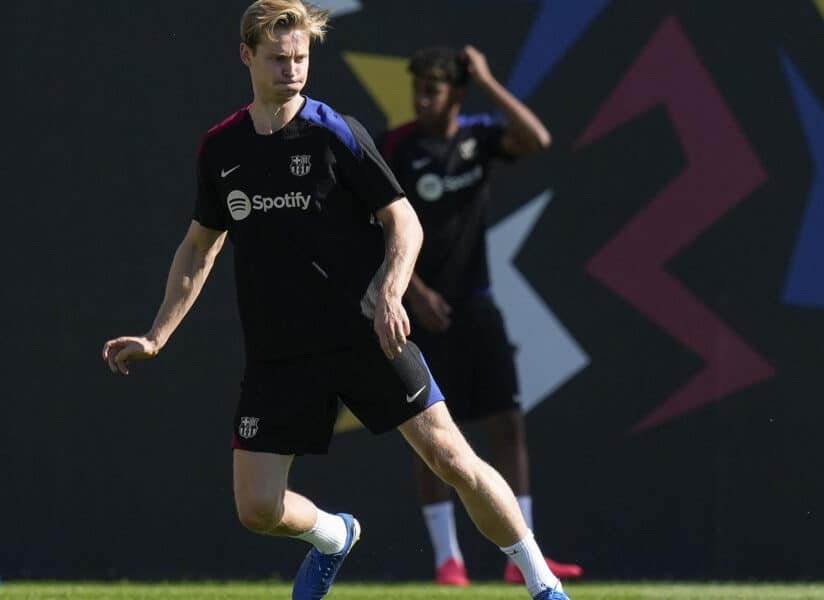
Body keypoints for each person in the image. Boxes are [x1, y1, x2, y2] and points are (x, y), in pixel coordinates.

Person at [100, 3, 571, 599]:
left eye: (301, 57)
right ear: (246, 55)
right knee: (257, 509)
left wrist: (393, 290)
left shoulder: (335, 132)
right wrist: (156, 335)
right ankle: (333, 536)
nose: (292, 70)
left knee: (454, 460)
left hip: (365, 335)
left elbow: (405, 222)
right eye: (278, 59)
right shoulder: (221, 149)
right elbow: (198, 249)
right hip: (280, 352)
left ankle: (543, 582)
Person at [378, 46, 583, 587]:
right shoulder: (396, 146)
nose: (422, 99)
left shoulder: (478, 137)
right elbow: (373, 225)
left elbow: (537, 140)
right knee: (432, 438)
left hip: (477, 305)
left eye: (434, 90)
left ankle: (523, 560)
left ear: (456, 94)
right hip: (418, 312)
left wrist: (489, 80)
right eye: (417, 89)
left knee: (507, 424)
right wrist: (414, 292)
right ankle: (448, 561)